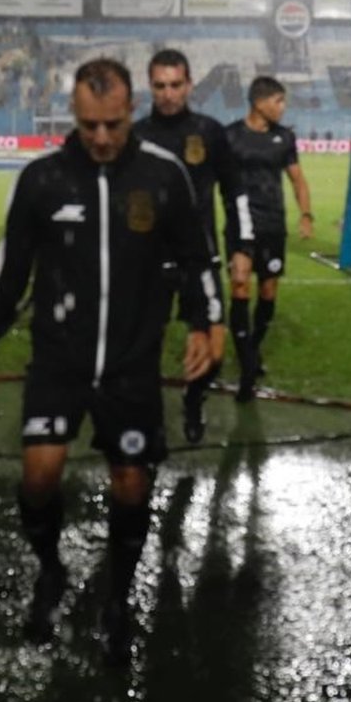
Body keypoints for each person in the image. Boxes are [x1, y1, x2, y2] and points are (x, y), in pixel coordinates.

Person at [0, 57, 217, 664]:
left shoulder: (164, 177)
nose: (101, 138)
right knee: (39, 476)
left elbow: (195, 254)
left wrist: (205, 323)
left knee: (132, 484)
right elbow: (12, 268)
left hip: (132, 363)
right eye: (88, 126)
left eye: (111, 123)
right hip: (59, 359)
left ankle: (118, 597)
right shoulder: (42, 180)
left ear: (129, 111)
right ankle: (50, 568)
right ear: (73, 117)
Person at [134, 48, 253, 444]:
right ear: (150, 86)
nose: (168, 94)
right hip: (147, 263)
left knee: (214, 352)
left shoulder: (209, 132)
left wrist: (242, 248)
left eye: (176, 85)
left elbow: (235, 193)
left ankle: (193, 399)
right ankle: (147, 416)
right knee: (140, 350)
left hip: (200, 259)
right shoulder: (136, 136)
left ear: (189, 84)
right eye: (160, 86)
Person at [223, 75, 314, 402]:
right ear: (260, 102)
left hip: (273, 226)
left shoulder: (285, 137)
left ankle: (252, 348)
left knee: (268, 291)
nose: (283, 107)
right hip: (241, 226)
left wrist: (306, 215)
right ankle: (248, 367)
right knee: (240, 285)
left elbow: (297, 180)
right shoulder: (230, 136)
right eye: (279, 101)